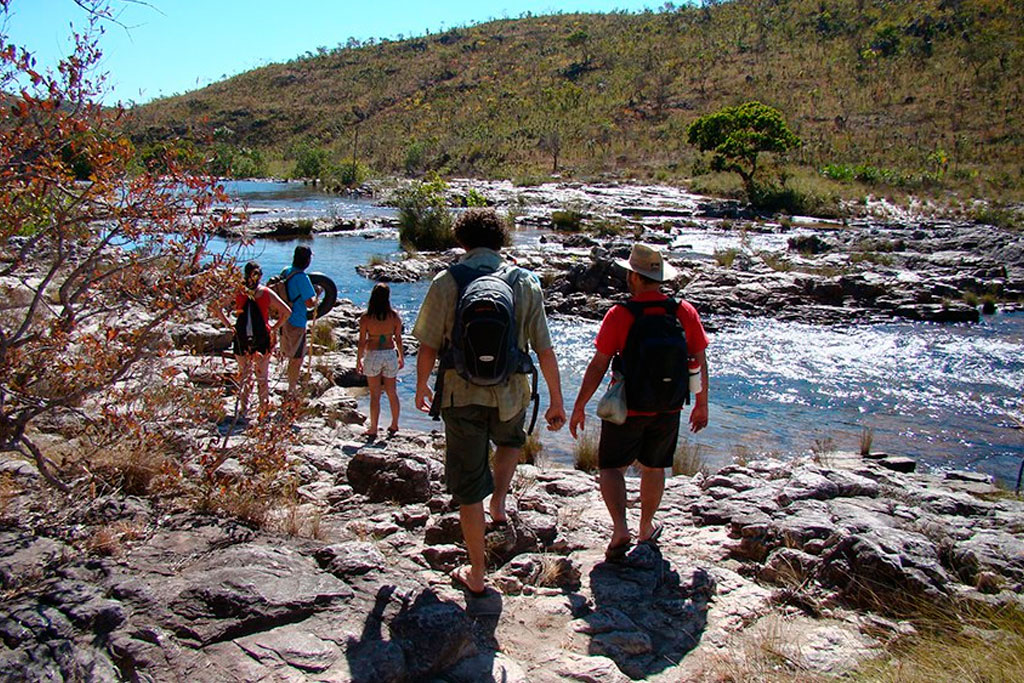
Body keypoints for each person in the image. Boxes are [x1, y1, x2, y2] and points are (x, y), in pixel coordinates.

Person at [413, 207, 567, 596]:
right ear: (502, 241)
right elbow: (545, 349)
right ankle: (499, 501)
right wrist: (556, 401)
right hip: (512, 394)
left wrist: (420, 386)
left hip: (459, 393)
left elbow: (428, 345)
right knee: (511, 440)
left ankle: (477, 573)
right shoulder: (525, 282)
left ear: (461, 242)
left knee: (467, 487)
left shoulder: (447, 281)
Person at [569, 243, 709, 561]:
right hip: (670, 406)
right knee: (655, 466)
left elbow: (599, 364)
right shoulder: (683, 311)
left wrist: (579, 406)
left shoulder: (620, 315)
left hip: (627, 407)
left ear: (633, 277)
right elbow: (699, 358)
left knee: (611, 467)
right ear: (659, 278)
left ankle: (621, 528)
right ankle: (646, 527)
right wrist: (702, 403)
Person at [215, 261, 291, 419]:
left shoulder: (238, 291)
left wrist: (229, 325)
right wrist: (274, 328)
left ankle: (244, 409)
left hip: (241, 335)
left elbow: (216, 307)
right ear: (260, 275)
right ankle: (263, 410)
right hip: (262, 337)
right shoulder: (266, 292)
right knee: (262, 376)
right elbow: (287, 312)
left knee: (245, 375)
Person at [357, 282, 405, 439]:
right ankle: (395, 424)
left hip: (373, 354)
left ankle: (373, 428)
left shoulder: (366, 317)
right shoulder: (394, 316)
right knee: (392, 392)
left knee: (375, 394)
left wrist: (358, 359)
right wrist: (401, 356)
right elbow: (398, 339)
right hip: (390, 354)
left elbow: (362, 341)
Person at [277, 245, 318, 398]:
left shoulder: (286, 271)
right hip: (297, 321)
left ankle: (290, 385)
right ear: (307, 260)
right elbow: (309, 303)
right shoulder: (302, 278)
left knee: (289, 353)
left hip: (283, 319)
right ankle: (292, 390)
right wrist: (317, 294)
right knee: (297, 357)